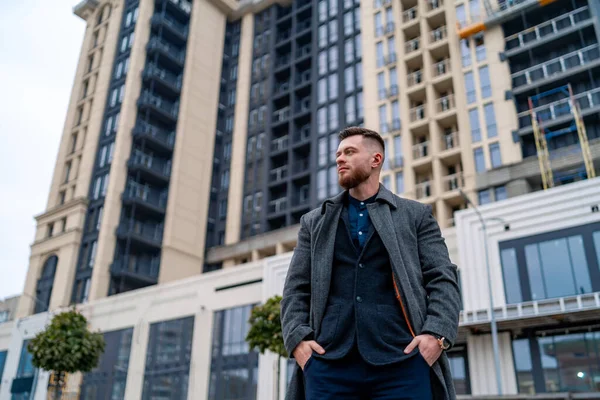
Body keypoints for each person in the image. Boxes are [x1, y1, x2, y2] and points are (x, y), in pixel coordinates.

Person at [281, 127, 461, 400]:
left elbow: (442, 278)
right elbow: (296, 288)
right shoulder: (314, 222)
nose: (340, 159)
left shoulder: (415, 215)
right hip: (328, 364)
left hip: (403, 361)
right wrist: (298, 340)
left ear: (376, 159)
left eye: (349, 152)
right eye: (338, 154)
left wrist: (436, 335)